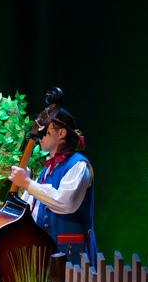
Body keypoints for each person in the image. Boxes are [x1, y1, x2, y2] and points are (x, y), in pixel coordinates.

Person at [8, 91, 96, 265]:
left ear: (62, 133)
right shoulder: (45, 171)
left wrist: (26, 183)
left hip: (72, 259)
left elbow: (65, 203)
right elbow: (26, 210)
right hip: (44, 256)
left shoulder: (79, 165)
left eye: (45, 129)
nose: (39, 134)